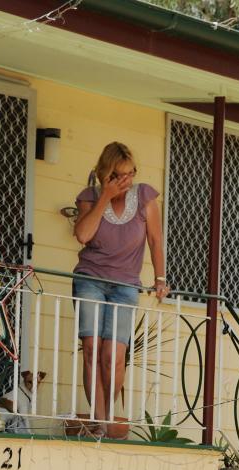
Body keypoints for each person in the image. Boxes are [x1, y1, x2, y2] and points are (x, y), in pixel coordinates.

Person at [72, 143, 168, 433]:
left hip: (125, 285)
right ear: (105, 174)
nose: (126, 180)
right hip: (90, 279)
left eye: (130, 174)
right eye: (119, 175)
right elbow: (83, 235)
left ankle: (107, 415)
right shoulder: (89, 197)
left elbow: (155, 240)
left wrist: (161, 278)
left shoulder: (144, 198)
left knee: (113, 355)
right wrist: (105, 198)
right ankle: (100, 422)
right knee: (91, 348)